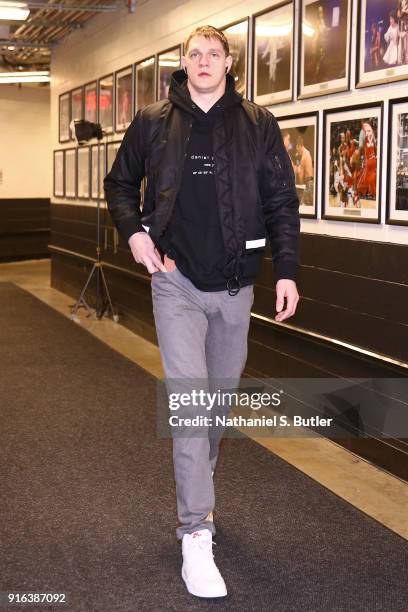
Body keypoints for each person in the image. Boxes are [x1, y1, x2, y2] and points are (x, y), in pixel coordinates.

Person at [104, 25, 300, 599]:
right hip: (176, 282)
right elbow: (121, 184)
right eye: (195, 53)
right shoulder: (152, 122)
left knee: (216, 406)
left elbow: (281, 203)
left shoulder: (259, 125)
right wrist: (135, 236)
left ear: (230, 61)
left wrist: (286, 270)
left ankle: (200, 485)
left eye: (214, 53)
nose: (205, 61)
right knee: (190, 405)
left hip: (237, 285)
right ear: (184, 62)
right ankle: (196, 531)